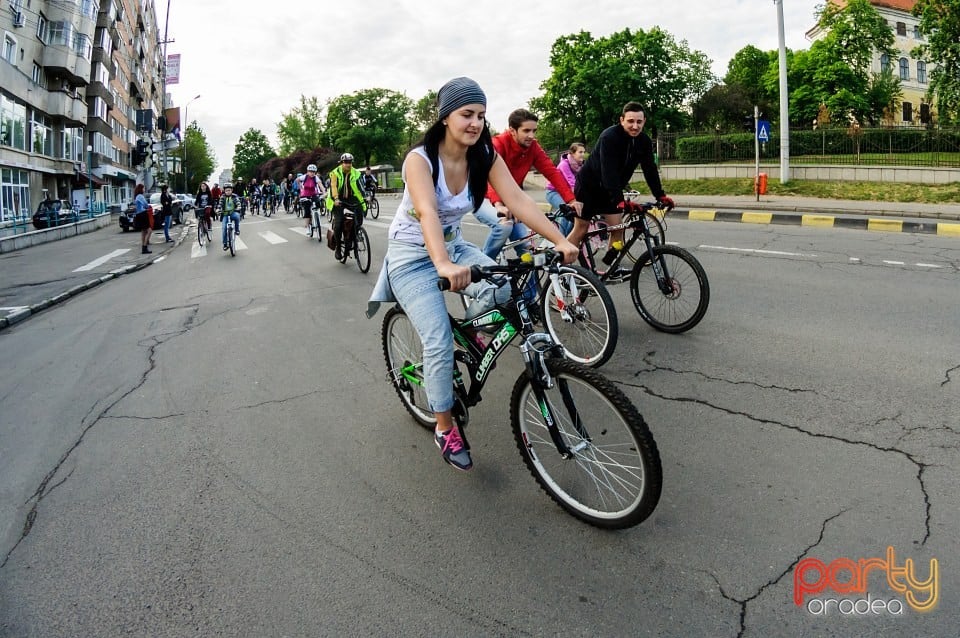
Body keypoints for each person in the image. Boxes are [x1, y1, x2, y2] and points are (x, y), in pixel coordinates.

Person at [366, 77, 578, 471]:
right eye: (467, 114)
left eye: (481, 114)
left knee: (510, 292)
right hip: (413, 255)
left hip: (453, 243)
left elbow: (516, 198)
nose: (476, 122)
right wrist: (443, 264)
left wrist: (557, 240)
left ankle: (478, 333)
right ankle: (444, 426)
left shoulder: (483, 155)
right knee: (439, 341)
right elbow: (427, 211)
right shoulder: (420, 159)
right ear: (446, 116)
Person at [569, 101, 675, 276]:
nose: (635, 126)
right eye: (630, 121)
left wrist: (660, 196)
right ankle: (561, 267)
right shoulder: (609, 137)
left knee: (617, 229)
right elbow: (608, 171)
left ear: (644, 122)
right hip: (589, 187)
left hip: (610, 190)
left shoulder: (644, 141)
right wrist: (619, 200)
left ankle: (610, 267)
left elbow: (650, 169)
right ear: (622, 120)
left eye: (639, 122)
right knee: (581, 228)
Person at [474, 108, 581, 259]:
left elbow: (552, 172)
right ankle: (484, 266)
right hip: (483, 197)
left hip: (511, 200)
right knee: (503, 226)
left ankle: (532, 284)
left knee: (527, 252)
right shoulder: (497, 144)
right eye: (526, 131)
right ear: (512, 130)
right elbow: (489, 177)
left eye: (534, 131)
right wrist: (499, 204)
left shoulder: (533, 147)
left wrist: (571, 200)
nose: (531, 136)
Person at [325, 153, 367, 259]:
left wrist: (366, 198)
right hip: (338, 199)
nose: (348, 164)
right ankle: (338, 247)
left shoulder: (356, 173)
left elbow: (361, 186)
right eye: (346, 162)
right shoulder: (335, 173)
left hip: (351, 198)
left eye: (350, 162)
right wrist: (336, 199)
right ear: (342, 163)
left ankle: (353, 237)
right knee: (338, 223)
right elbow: (333, 187)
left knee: (359, 218)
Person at [545, 142, 586, 236]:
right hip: (553, 192)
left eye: (584, 152)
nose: (583, 154)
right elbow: (572, 182)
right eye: (580, 152)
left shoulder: (580, 166)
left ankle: (569, 238)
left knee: (576, 214)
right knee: (567, 212)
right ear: (572, 153)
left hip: (567, 193)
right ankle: (561, 240)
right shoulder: (564, 164)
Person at [299, 164, 325, 233]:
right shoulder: (304, 177)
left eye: (313, 172)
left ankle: (316, 215)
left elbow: (320, 185)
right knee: (307, 210)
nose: (312, 173)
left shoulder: (316, 178)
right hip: (305, 195)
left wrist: (324, 192)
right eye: (310, 171)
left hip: (314, 194)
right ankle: (307, 227)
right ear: (307, 171)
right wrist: (300, 188)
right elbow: (297, 180)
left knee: (318, 203)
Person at [218, 183, 241, 250]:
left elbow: (237, 202)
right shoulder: (222, 197)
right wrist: (218, 209)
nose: (228, 192)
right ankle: (225, 244)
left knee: (237, 216)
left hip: (232, 212)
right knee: (224, 228)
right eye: (226, 190)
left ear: (232, 190)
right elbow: (220, 204)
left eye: (229, 190)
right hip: (225, 214)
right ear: (224, 191)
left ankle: (237, 230)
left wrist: (239, 206)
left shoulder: (234, 196)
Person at [134, 183, 152, 254]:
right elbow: (146, 205)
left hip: (138, 215)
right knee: (149, 230)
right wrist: (148, 207)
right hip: (143, 214)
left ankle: (143, 247)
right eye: (143, 188)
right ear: (141, 189)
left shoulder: (136, 196)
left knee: (143, 231)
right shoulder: (140, 196)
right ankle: (145, 246)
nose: (144, 189)